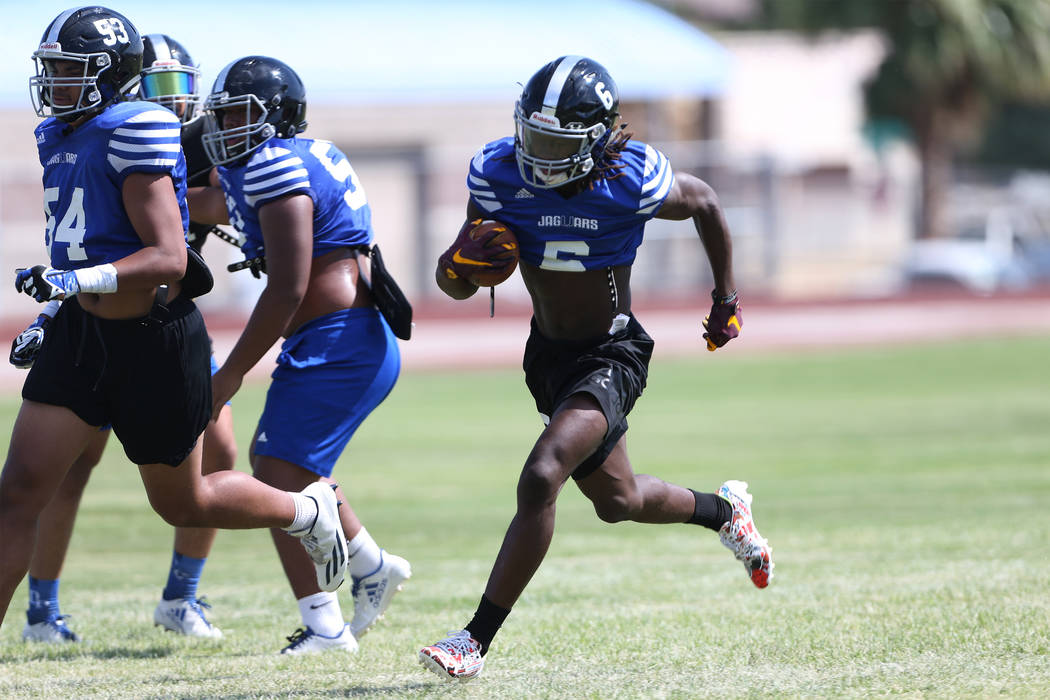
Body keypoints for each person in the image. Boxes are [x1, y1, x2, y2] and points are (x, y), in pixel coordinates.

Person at [417, 56, 774, 682]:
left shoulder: (631, 180)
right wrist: (457, 264)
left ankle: (473, 640)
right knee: (620, 499)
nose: (540, 153)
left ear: (597, 139)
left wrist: (726, 300)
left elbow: (707, 203)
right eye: (534, 136)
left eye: (557, 142)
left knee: (541, 474)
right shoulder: (498, 172)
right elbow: (454, 286)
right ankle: (725, 512)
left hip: (613, 352)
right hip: (549, 355)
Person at [0, 6, 349, 633]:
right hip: (83, 335)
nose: (52, 83)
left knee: (185, 501)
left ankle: (304, 509)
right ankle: (31, 618)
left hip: (152, 343)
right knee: (17, 493)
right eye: (49, 69)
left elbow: (166, 257)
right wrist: (56, 311)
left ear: (109, 75)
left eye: (66, 70)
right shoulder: (57, 135)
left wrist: (73, 282)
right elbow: (78, 250)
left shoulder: (138, 127)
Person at [8, 32, 239, 643]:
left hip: (163, 329)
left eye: (178, 87)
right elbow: (83, 237)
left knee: (205, 473)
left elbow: (179, 241)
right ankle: (41, 608)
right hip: (90, 322)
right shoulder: (72, 134)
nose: (171, 103)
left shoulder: (172, 137)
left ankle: (185, 595)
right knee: (47, 475)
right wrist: (56, 308)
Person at [187, 55, 410, 655]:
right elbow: (213, 205)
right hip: (340, 336)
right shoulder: (267, 163)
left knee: (274, 473)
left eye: (240, 113)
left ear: (276, 117)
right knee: (295, 472)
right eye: (222, 113)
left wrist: (229, 375)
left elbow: (286, 287)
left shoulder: (275, 164)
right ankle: (371, 567)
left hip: (339, 338)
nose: (225, 125)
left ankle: (326, 626)